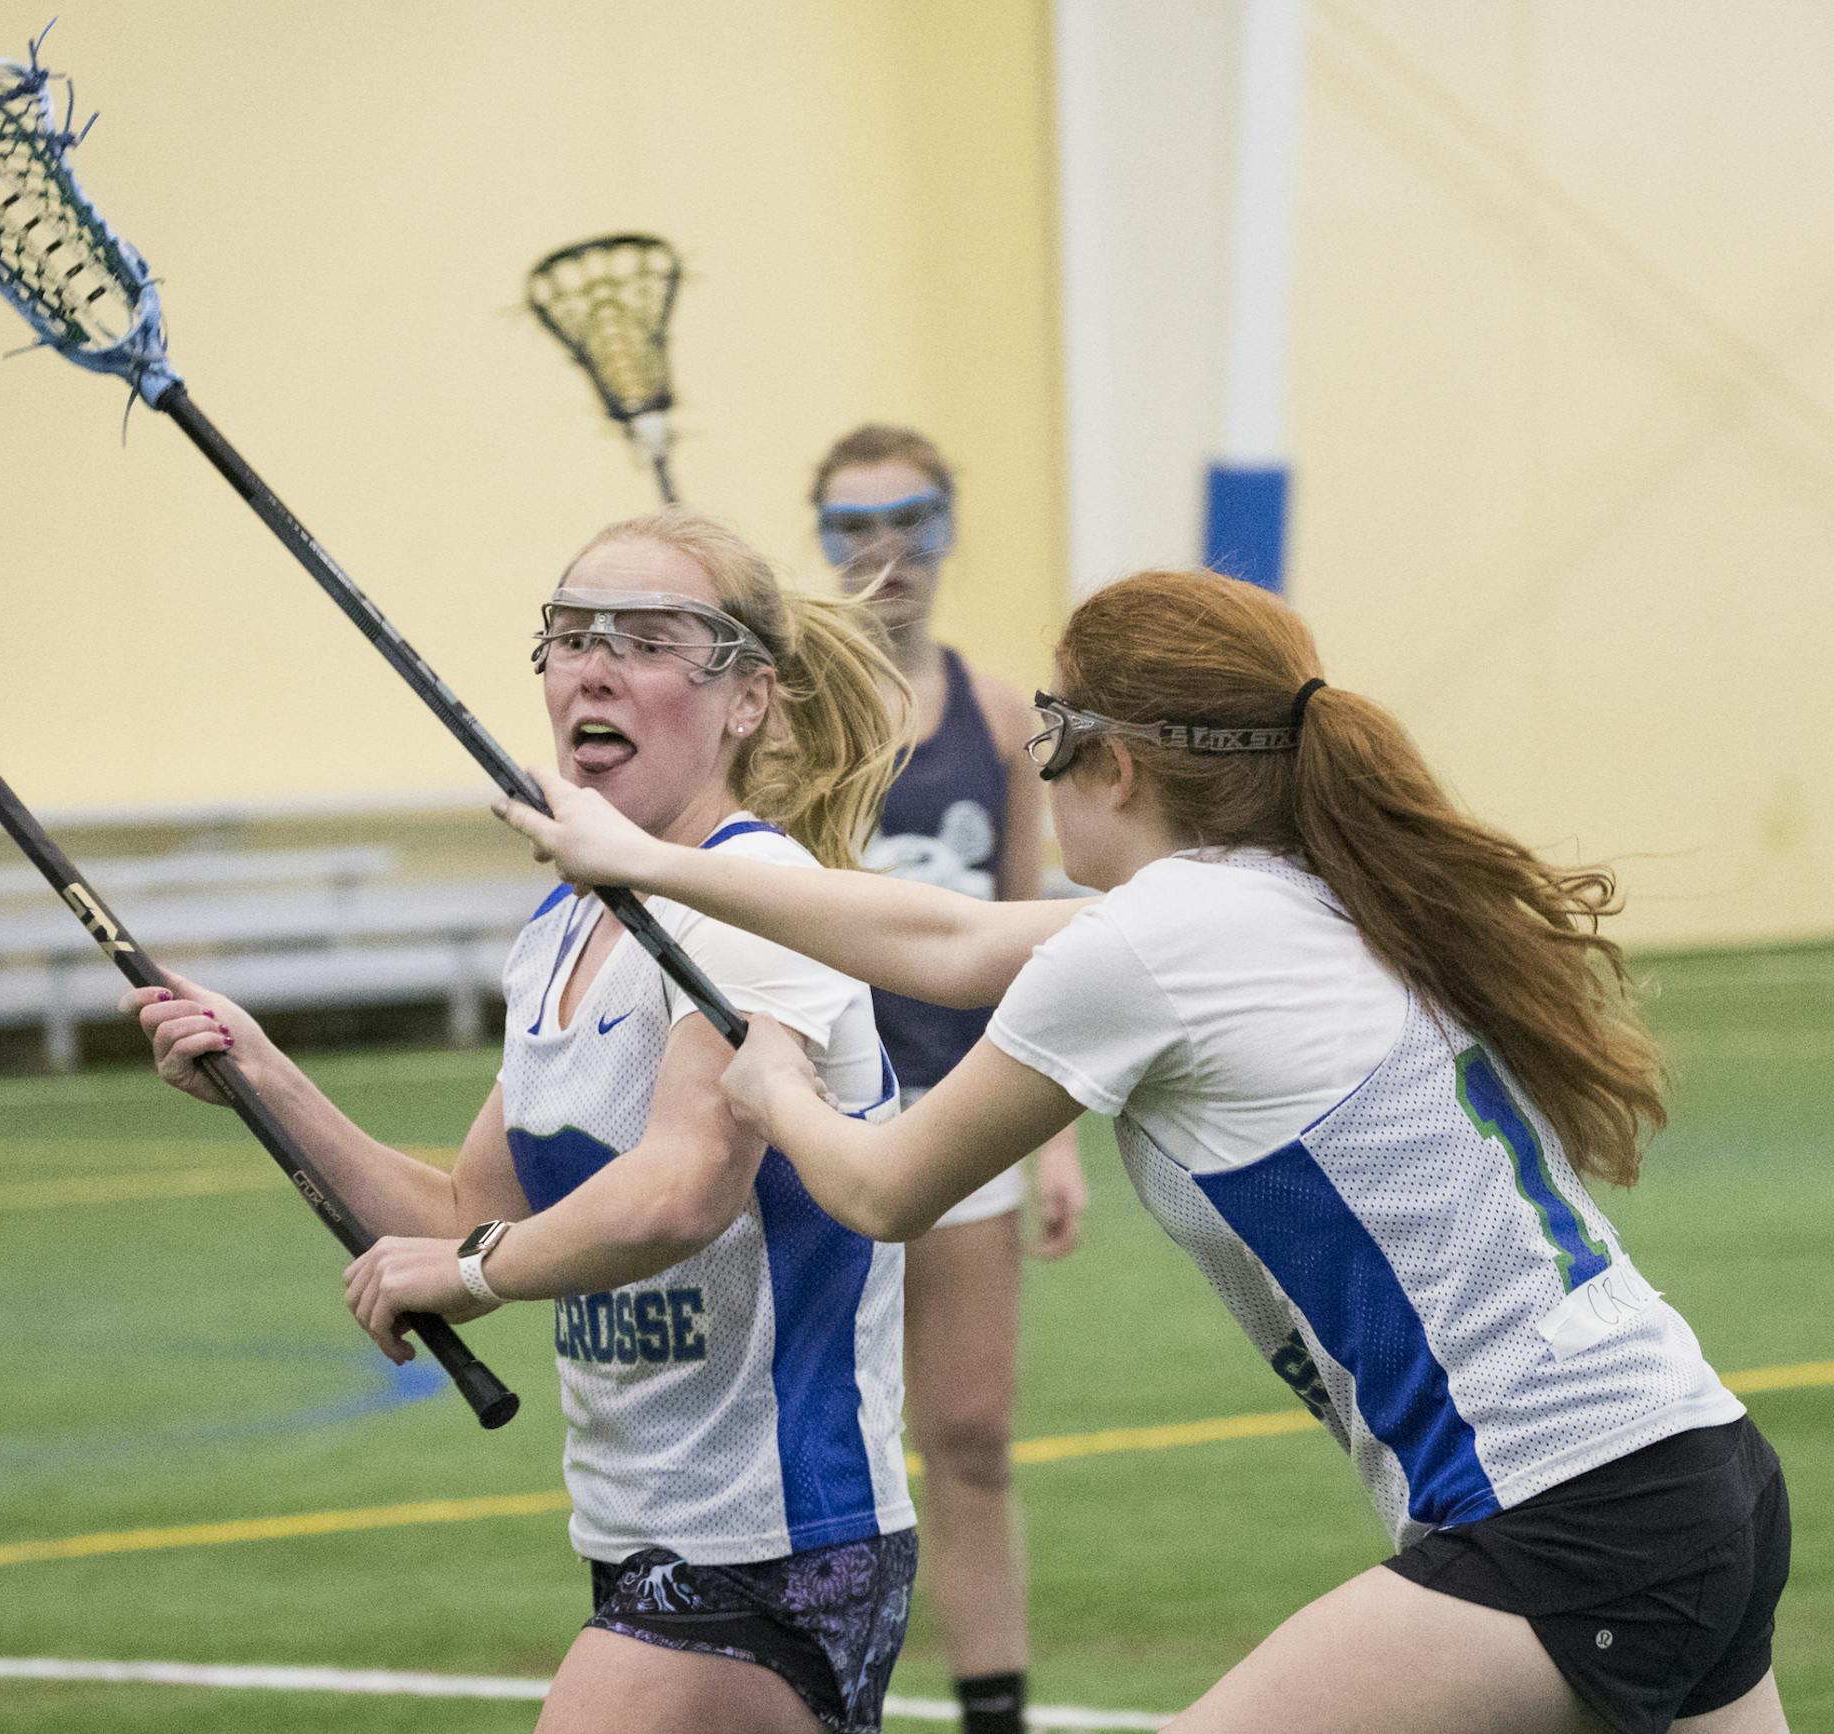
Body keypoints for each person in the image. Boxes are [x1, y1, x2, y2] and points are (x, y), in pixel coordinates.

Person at [497, 566, 1793, 1734]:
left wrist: (778, 1090)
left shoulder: (1159, 943)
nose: (1040, 773)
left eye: (1051, 738)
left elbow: (885, 1189)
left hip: (1565, 1511)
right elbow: (940, 938)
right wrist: (648, 862)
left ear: (1116, 764)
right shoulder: (1289, 893)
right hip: (1699, 1465)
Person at [124, 508, 923, 1734]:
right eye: (572, 635)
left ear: (749, 699)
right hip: (636, 1532)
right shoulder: (557, 932)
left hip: (778, 1537)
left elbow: (682, 1190)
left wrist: (469, 1272)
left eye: (649, 640)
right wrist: (265, 1074)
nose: (595, 668)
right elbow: (463, 1214)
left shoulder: (761, 899)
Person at [811, 423, 1088, 1734]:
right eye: (853, 524)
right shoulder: (794, 713)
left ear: (947, 529)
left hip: (966, 1110)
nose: (885, 549)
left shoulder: (998, 715)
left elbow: (1030, 929)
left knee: (969, 1434)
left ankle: (995, 1714)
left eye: (910, 518)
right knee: (821, 1440)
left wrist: (1057, 1137)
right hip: (819, 1116)